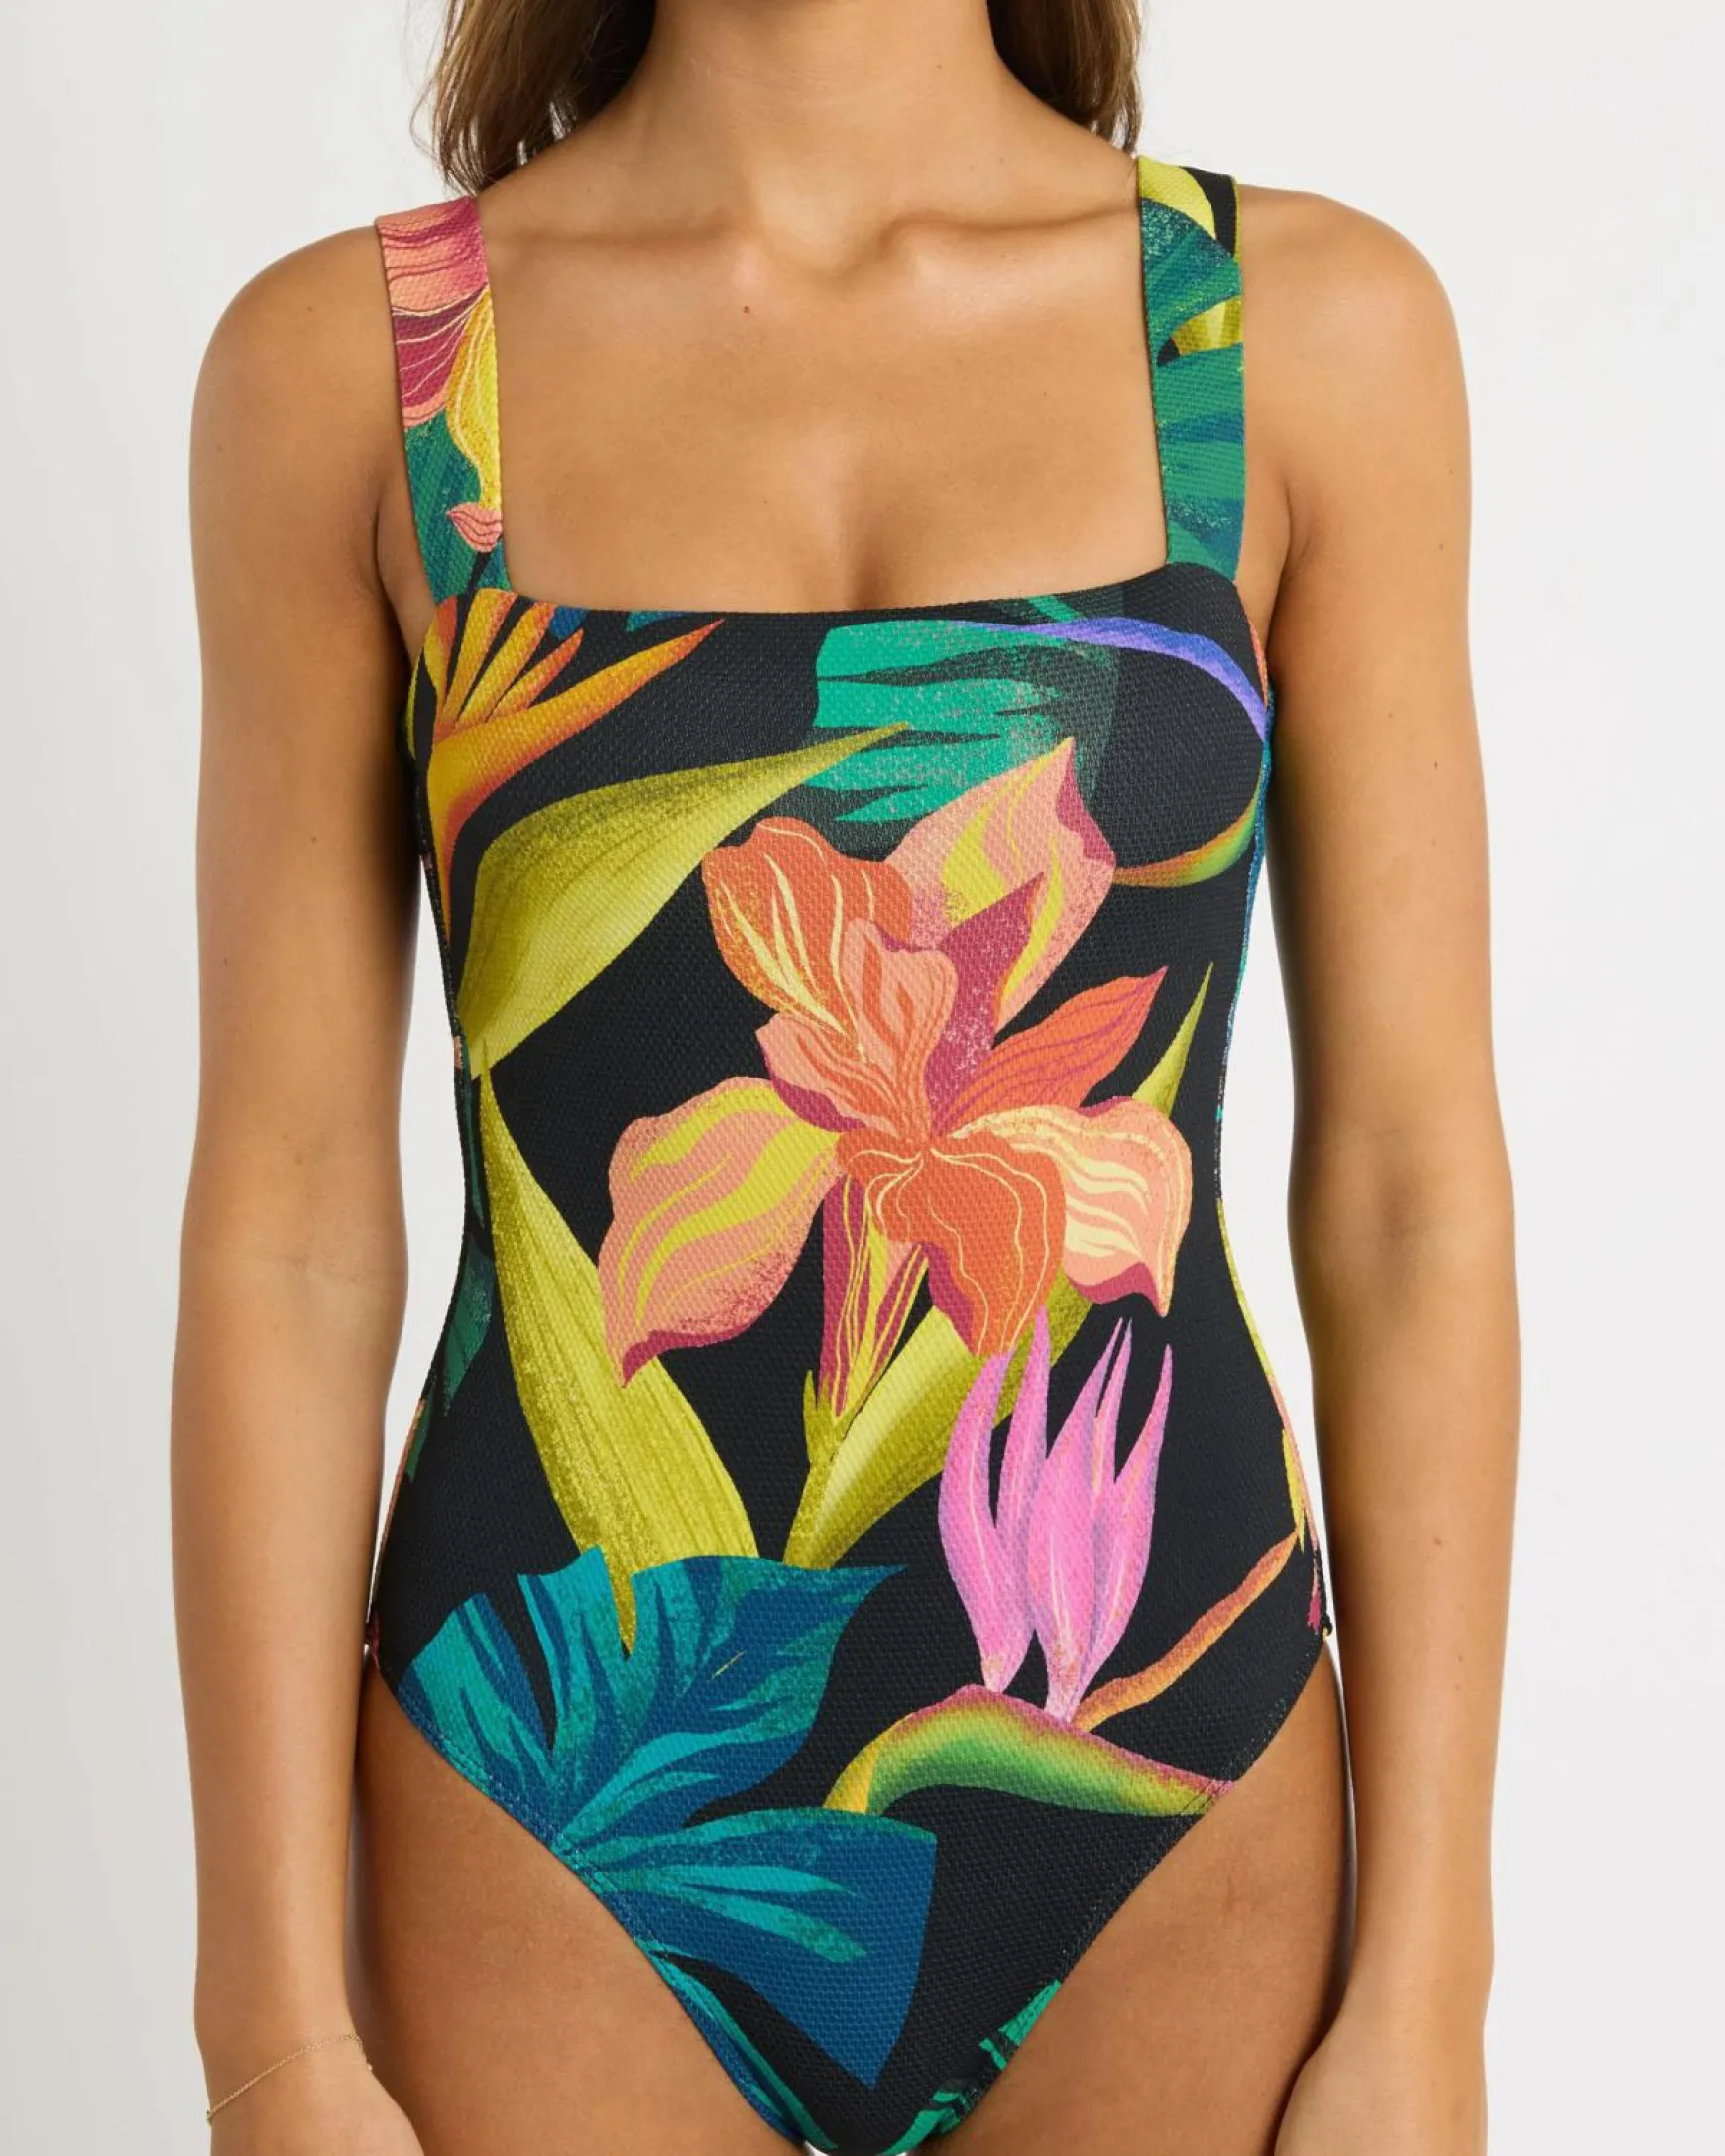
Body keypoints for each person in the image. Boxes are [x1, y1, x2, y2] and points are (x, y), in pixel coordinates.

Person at [172, 2, 1518, 2151]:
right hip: (550, 1807)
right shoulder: (366, 373)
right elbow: (292, 1225)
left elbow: (1404, 1191)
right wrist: (267, 2026)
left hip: (1165, 1778)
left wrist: (1430, 1991)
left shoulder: (1287, 339)